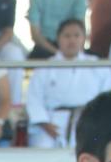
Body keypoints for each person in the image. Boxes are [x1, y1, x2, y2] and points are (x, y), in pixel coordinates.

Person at [25, 18, 101, 148]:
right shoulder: (45, 67)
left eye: (76, 35)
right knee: (42, 148)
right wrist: (45, 123)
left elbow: (107, 96)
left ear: (84, 38)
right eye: (67, 36)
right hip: (51, 122)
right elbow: (33, 99)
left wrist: (92, 123)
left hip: (87, 122)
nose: (72, 40)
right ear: (58, 38)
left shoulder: (97, 65)